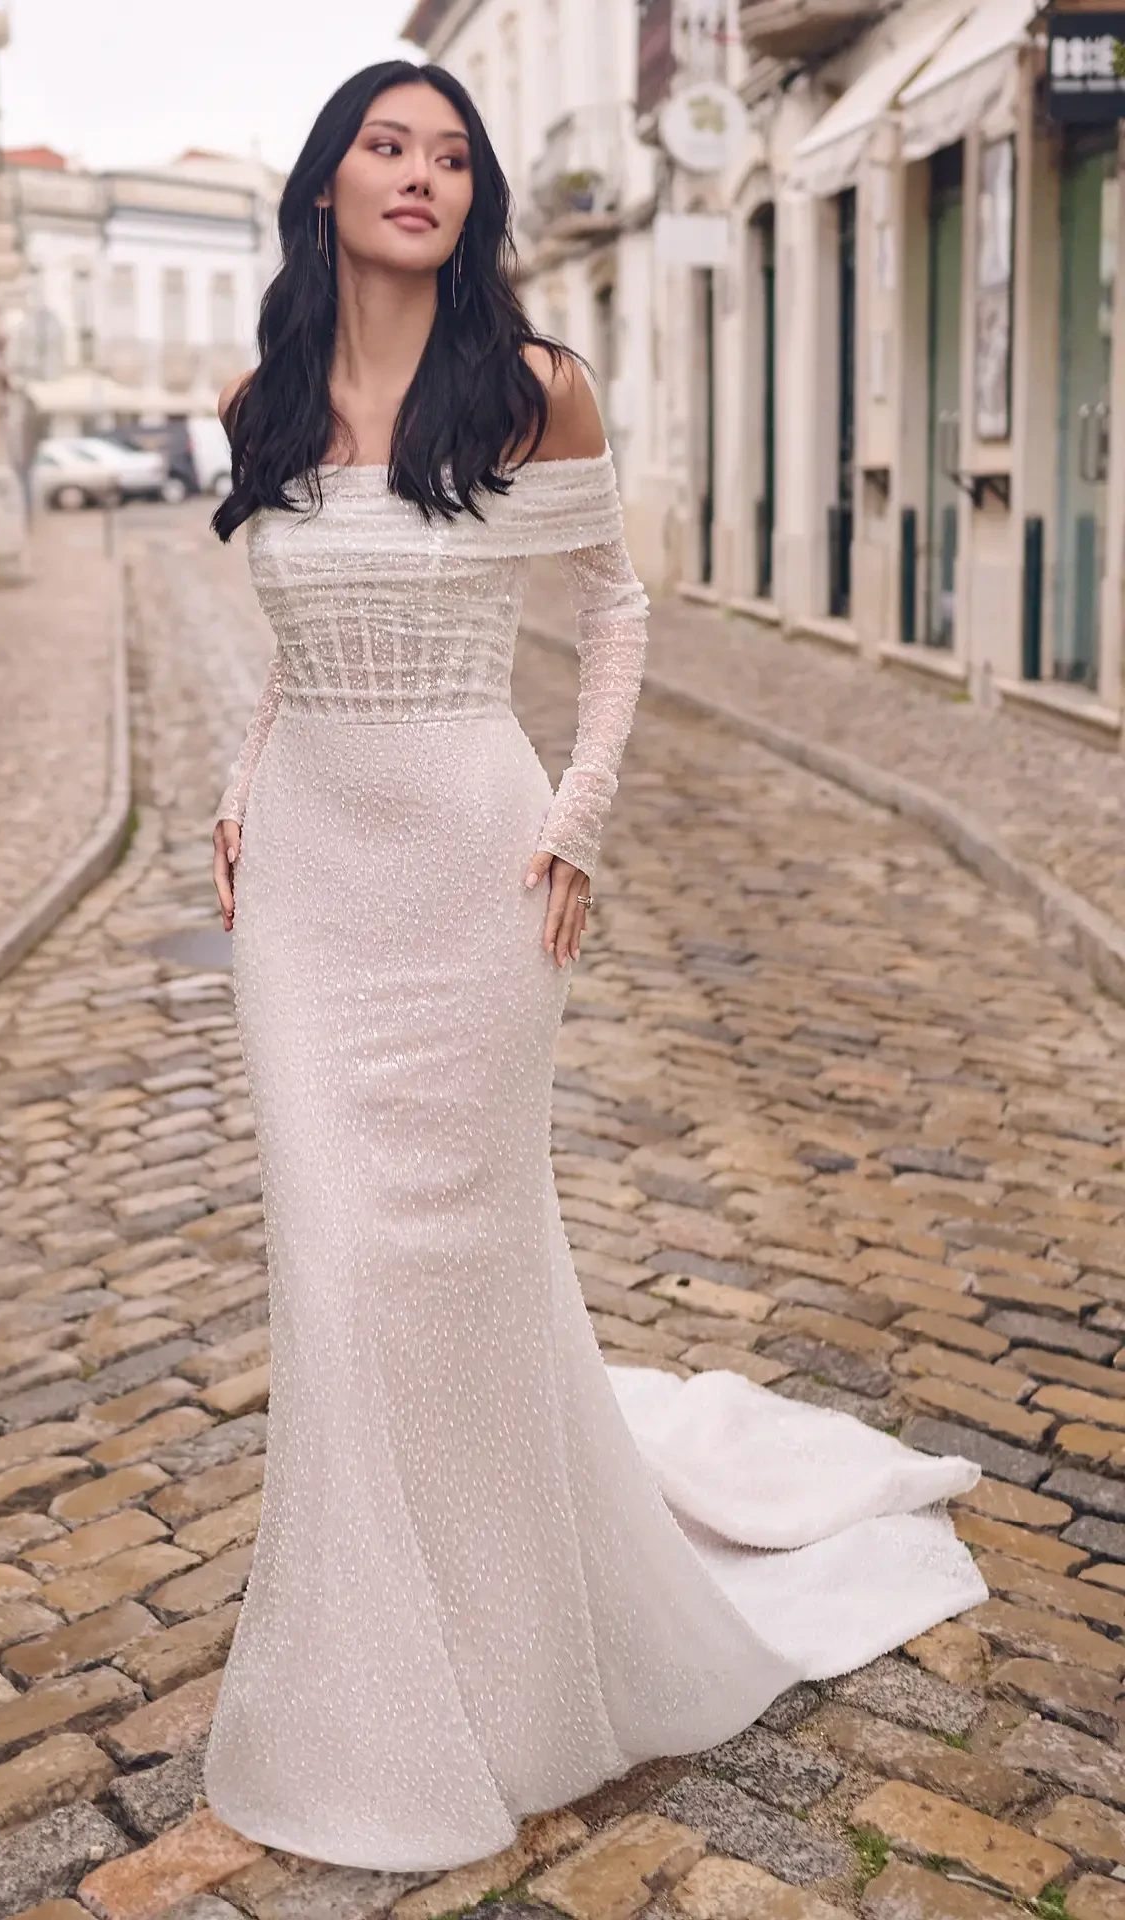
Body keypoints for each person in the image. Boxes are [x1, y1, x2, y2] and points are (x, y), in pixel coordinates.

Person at [200, 59, 986, 1875]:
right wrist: (242, 793)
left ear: (475, 201)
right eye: (388, 148)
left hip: (480, 869)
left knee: (462, 1261)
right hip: (310, 886)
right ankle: (357, 1690)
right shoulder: (257, 398)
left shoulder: (531, 390)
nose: (423, 177)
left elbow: (615, 611)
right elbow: (294, 637)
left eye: (452, 157)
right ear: (326, 184)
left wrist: (579, 820)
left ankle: (518, 1644)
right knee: (331, 1264)